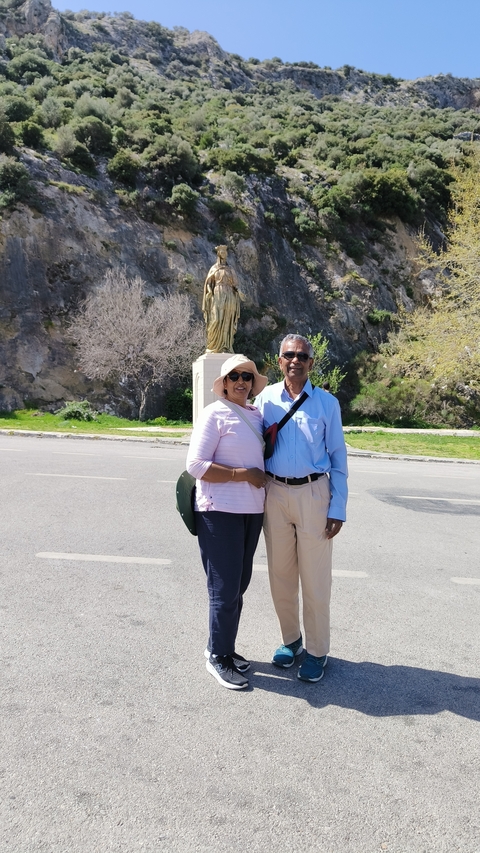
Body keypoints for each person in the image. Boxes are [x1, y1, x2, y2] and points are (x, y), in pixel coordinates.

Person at [254, 334, 348, 683]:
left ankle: (318, 651)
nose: (295, 360)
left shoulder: (327, 404)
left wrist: (337, 506)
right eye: (288, 355)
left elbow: (338, 458)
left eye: (302, 356)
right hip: (274, 494)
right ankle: (291, 641)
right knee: (280, 575)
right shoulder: (263, 401)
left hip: (314, 494)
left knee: (315, 579)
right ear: (278, 361)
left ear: (311, 362)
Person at [186, 354, 268, 690]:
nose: (241, 382)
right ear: (223, 383)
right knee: (223, 588)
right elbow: (196, 465)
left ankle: (223, 647)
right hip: (219, 512)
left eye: (247, 377)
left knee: (238, 585)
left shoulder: (256, 415)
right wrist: (242, 474)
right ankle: (218, 657)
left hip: (251, 512)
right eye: (234, 376)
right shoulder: (214, 413)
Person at [202, 245, 243, 353]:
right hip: (217, 294)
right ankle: (213, 346)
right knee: (216, 319)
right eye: (222, 251)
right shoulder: (214, 268)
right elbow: (208, 283)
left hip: (229, 296)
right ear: (218, 253)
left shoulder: (230, 270)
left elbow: (235, 284)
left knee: (227, 320)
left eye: (225, 251)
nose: (224, 253)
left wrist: (239, 291)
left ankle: (226, 346)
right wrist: (209, 291)